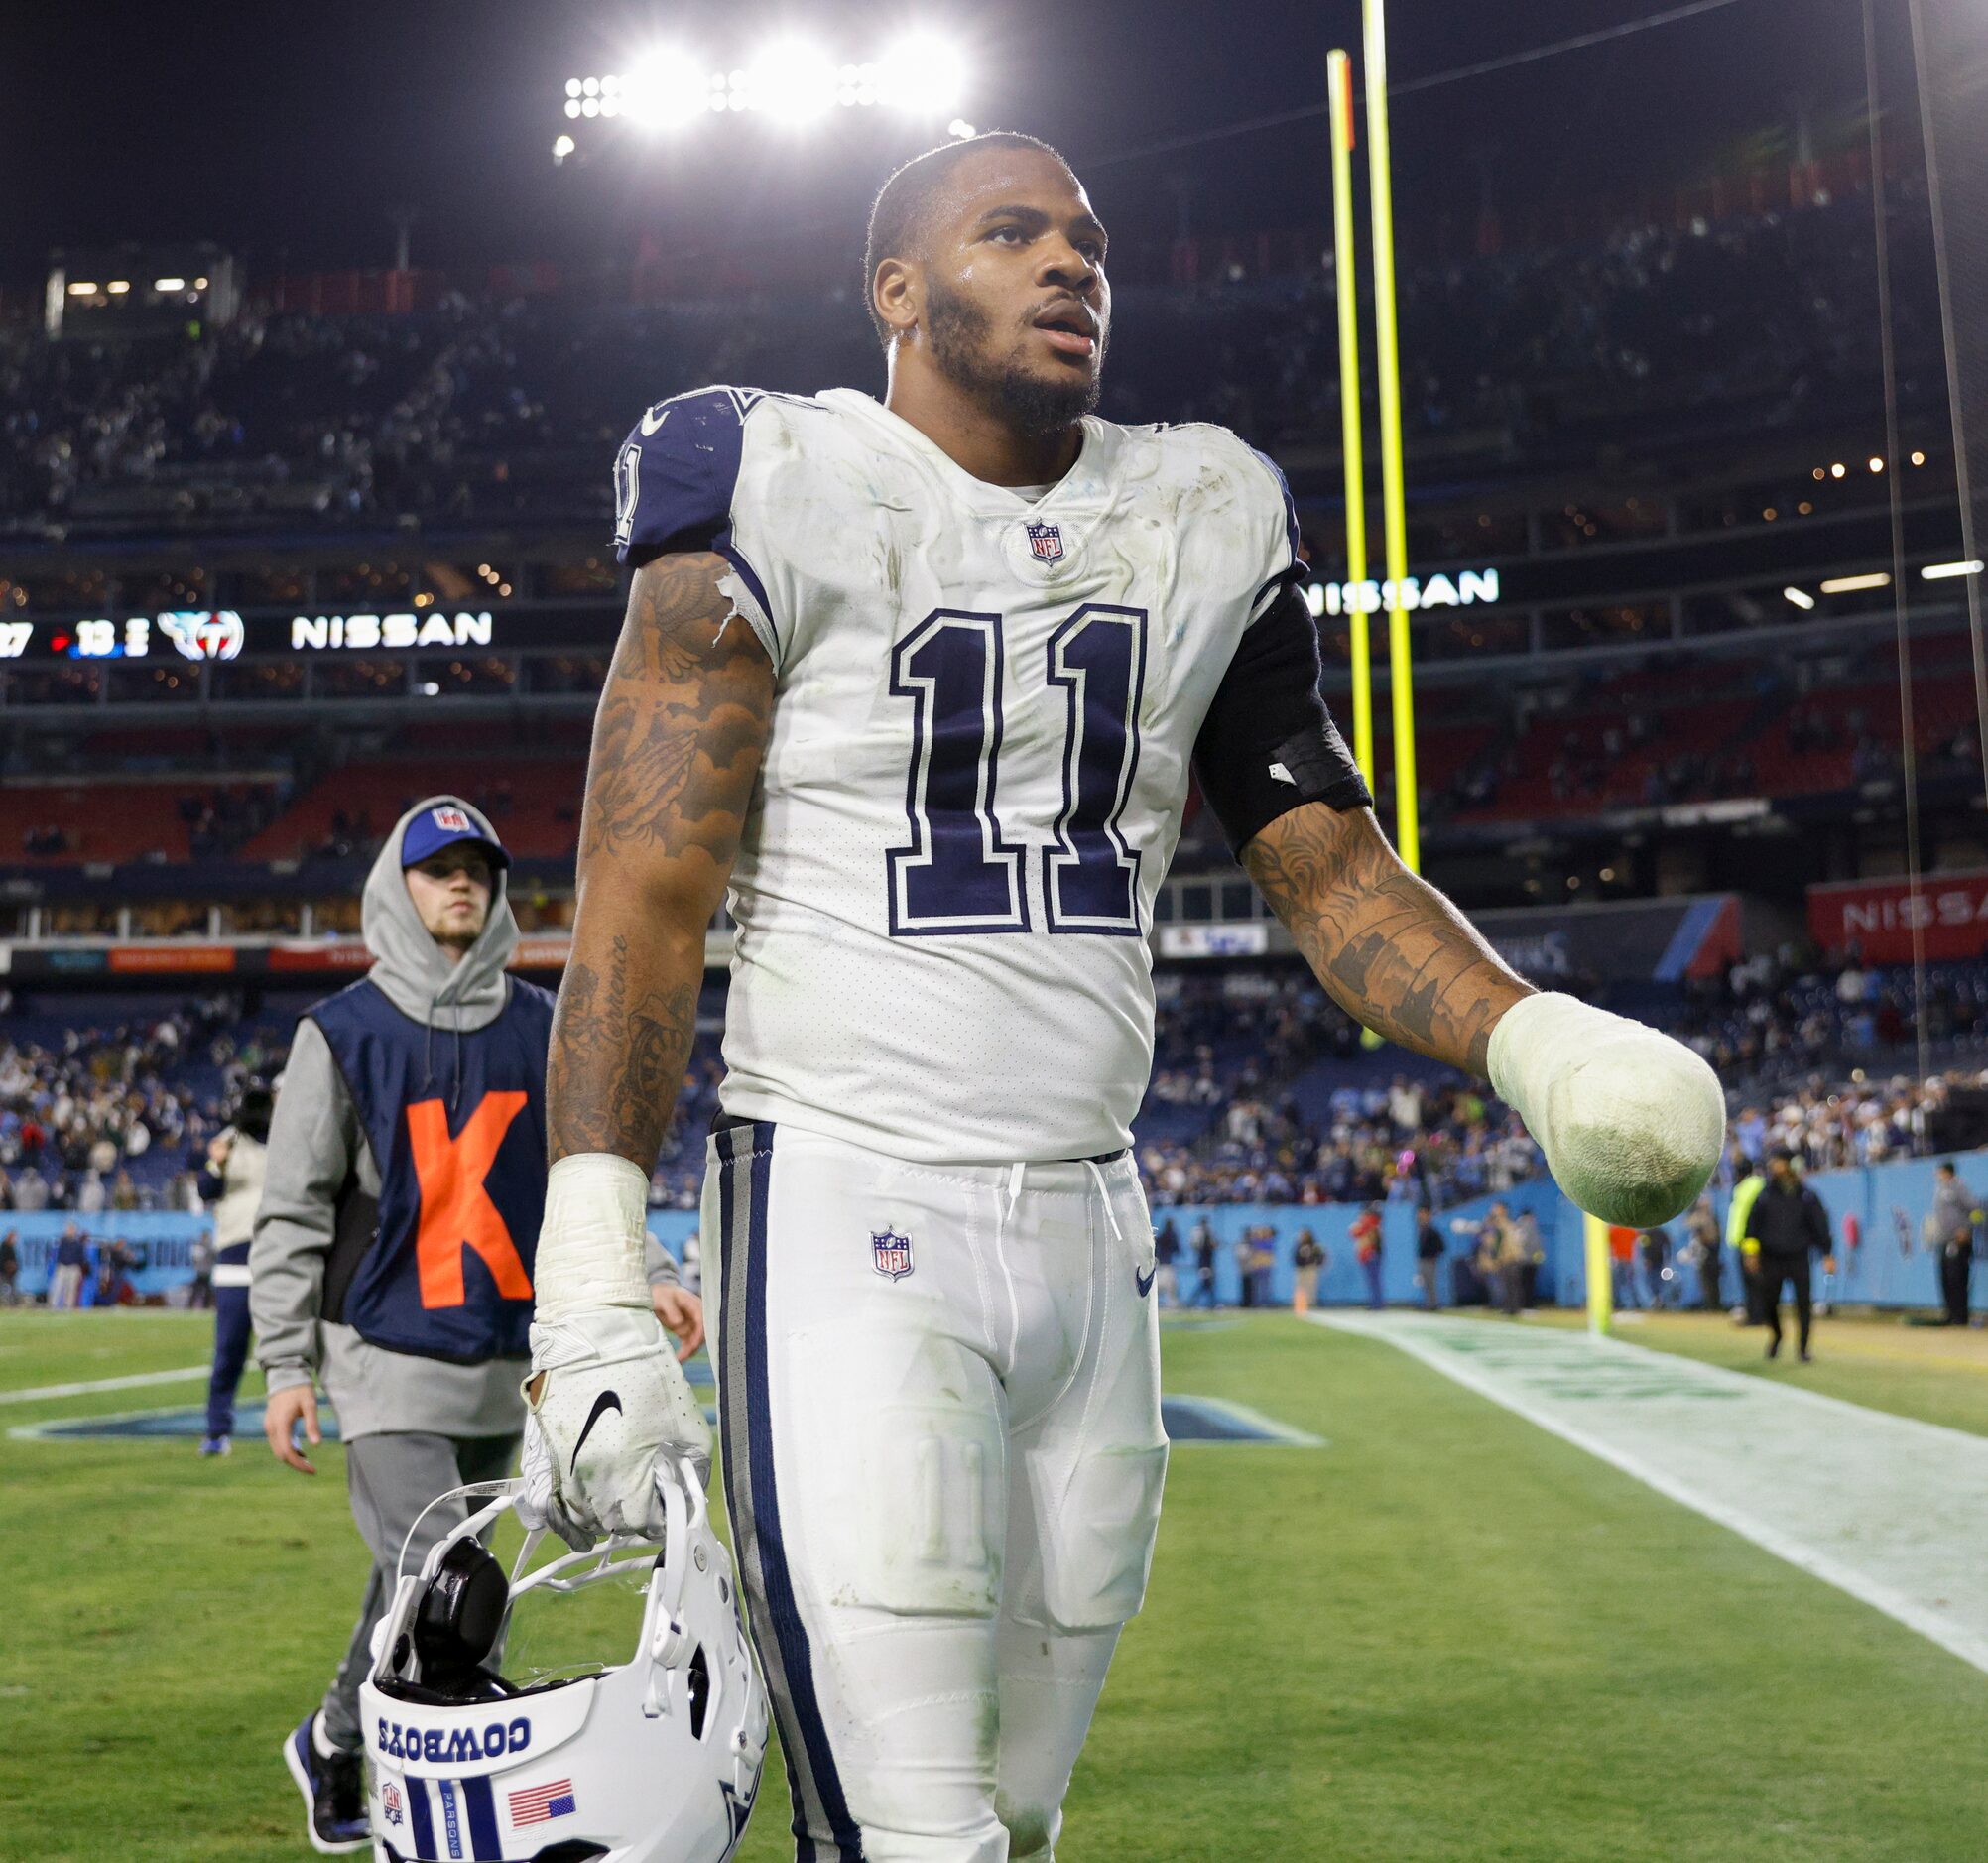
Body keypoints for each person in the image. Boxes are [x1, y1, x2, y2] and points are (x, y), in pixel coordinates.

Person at [518, 132, 1723, 1861]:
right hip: (849, 1197)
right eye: (1008, 234)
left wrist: (1533, 1036)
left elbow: (1327, 866)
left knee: (1018, 1808)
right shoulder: (765, 474)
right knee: (912, 1826)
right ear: (897, 290)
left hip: (1094, 1221)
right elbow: (641, 882)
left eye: (1084, 238)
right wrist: (588, 1268)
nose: (1067, 263)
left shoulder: (1199, 509)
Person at [251, 798, 706, 1854]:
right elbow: (292, 1210)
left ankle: (331, 1739)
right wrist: (287, 1365)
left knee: (412, 1583)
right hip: (385, 1359)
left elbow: (587, 1176)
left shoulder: (544, 1026)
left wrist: (655, 1269)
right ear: (394, 886)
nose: (461, 883)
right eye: (436, 868)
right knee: (456, 1589)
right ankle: (441, 1819)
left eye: (477, 868)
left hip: (504, 1363)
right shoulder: (341, 1035)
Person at [197, 1080, 272, 1457]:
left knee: (281, 1350)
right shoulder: (227, 1141)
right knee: (228, 1350)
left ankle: (285, 1426)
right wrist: (218, 1160)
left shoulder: (290, 1138)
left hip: (277, 1253)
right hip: (236, 1256)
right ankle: (216, 1430)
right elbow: (205, 1188)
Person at [1744, 1148, 1832, 1362]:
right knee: (1769, 1302)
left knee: (1803, 1303)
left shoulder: (1806, 1195)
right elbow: (1752, 1227)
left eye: (1779, 1162)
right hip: (1771, 1257)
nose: (1775, 1166)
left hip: (1798, 1257)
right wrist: (1751, 1254)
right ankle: (1777, 1335)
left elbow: (1820, 1226)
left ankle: (1803, 1348)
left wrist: (1827, 1253)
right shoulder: (1764, 1195)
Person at [1930, 1161, 1981, 1326]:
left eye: (1940, 1171)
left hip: (1958, 1241)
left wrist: (1967, 1230)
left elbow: (1976, 1211)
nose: (1938, 1175)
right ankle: (1950, 1314)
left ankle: (1960, 1317)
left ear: (1948, 1172)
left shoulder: (1959, 1188)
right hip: (1944, 1241)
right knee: (1945, 1278)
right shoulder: (1939, 1190)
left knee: (1957, 1278)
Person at [1728, 1158, 1766, 1325]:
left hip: (1750, 1240)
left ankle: (1757, 1316)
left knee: (1753, 1281)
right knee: (1752, 1281)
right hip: (1745, 1240)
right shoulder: (1750, 1186)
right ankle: (1755, 1314)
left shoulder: (1751, 1186)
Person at [1685, 1195, 1723, 1311]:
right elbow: (1687, 1223)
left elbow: (1713, 1238)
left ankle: (1713, 1305)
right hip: (1704, 1254)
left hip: (1711, 1254)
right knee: (1706, 1282)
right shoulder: (1701, 1218)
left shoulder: (1711, 1219)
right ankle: (1710, 1304)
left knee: (1711, 1282)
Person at [1351, 1202, 1386, 1310]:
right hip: (1371, 1253)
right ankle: (1375, 1303)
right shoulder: (1372, 1223)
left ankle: (1377, 1304)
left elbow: (1359, 1234)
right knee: (1372, 1280)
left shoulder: (1372, 1223)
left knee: (1374, 1280)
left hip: (1372, 1254)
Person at [49, 1222, 86, 1310]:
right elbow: (58, 1255)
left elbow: (81, 1258)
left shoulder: (78, 1244)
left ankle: (68, 1306)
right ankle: (53, 1305)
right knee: (58, 1287)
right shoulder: (62, 1242)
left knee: (71, 1288)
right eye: (69, 1230)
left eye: (72, 1230)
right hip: (63, 1266)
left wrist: (80, 1269)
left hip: (74, 1267)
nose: (70, 1232)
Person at [1414, 1204, 1444, 1309]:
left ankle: (1434, 1304)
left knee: (1431, 1283)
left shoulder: (1432, 1230)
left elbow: (1441, 1246)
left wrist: (1433, 1256)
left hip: (1429, 1260)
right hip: (1422, 1259)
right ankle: (1429, 1304)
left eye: (1422, 1213)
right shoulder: (1421, 1229)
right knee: (1425, 1284)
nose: (1419, 1216)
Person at [1292, 1227, 1325, 1313]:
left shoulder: (1315, 1245)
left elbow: (1321, 1256)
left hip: (1311, 1268)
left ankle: (1311, 1304)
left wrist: (1317, 1264)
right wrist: (1298, 1263)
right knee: (1300, 1287)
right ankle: (1300, 1305)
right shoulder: (1298, 1245)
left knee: (1311, 1287)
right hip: (1301, 1269)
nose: (1303, 1237)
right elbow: (1294, 1256)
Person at [1152, 1215, 1180, 1308]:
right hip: (1165, 1264)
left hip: (1164, 1264)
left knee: (1170, 1286)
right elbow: (1177, 1249)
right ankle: (1169, 1304)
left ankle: (1170, 1304)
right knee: (1166, 1286)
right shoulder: (1168, 1235)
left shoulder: (1164, 1235)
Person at [1191, 1214, 1218, 1308]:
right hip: (1204, 1262)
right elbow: (1198, 1246)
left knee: (1207, 1283)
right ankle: (1194, 1301)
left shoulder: (1207, 1233)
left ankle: (1195, 1302)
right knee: (1206, 1283)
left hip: (1207, 1262)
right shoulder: (1202, 1234)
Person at [0, 1228, 18, 1306]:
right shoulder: (4, 1246)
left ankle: (11, 1303)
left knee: (11, 1288)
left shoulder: (11, 1246)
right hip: (4, 1271)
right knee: (4, 1287)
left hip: (11, 1273)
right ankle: (5, 1302)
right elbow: (3, 1260)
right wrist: (8, 1266)